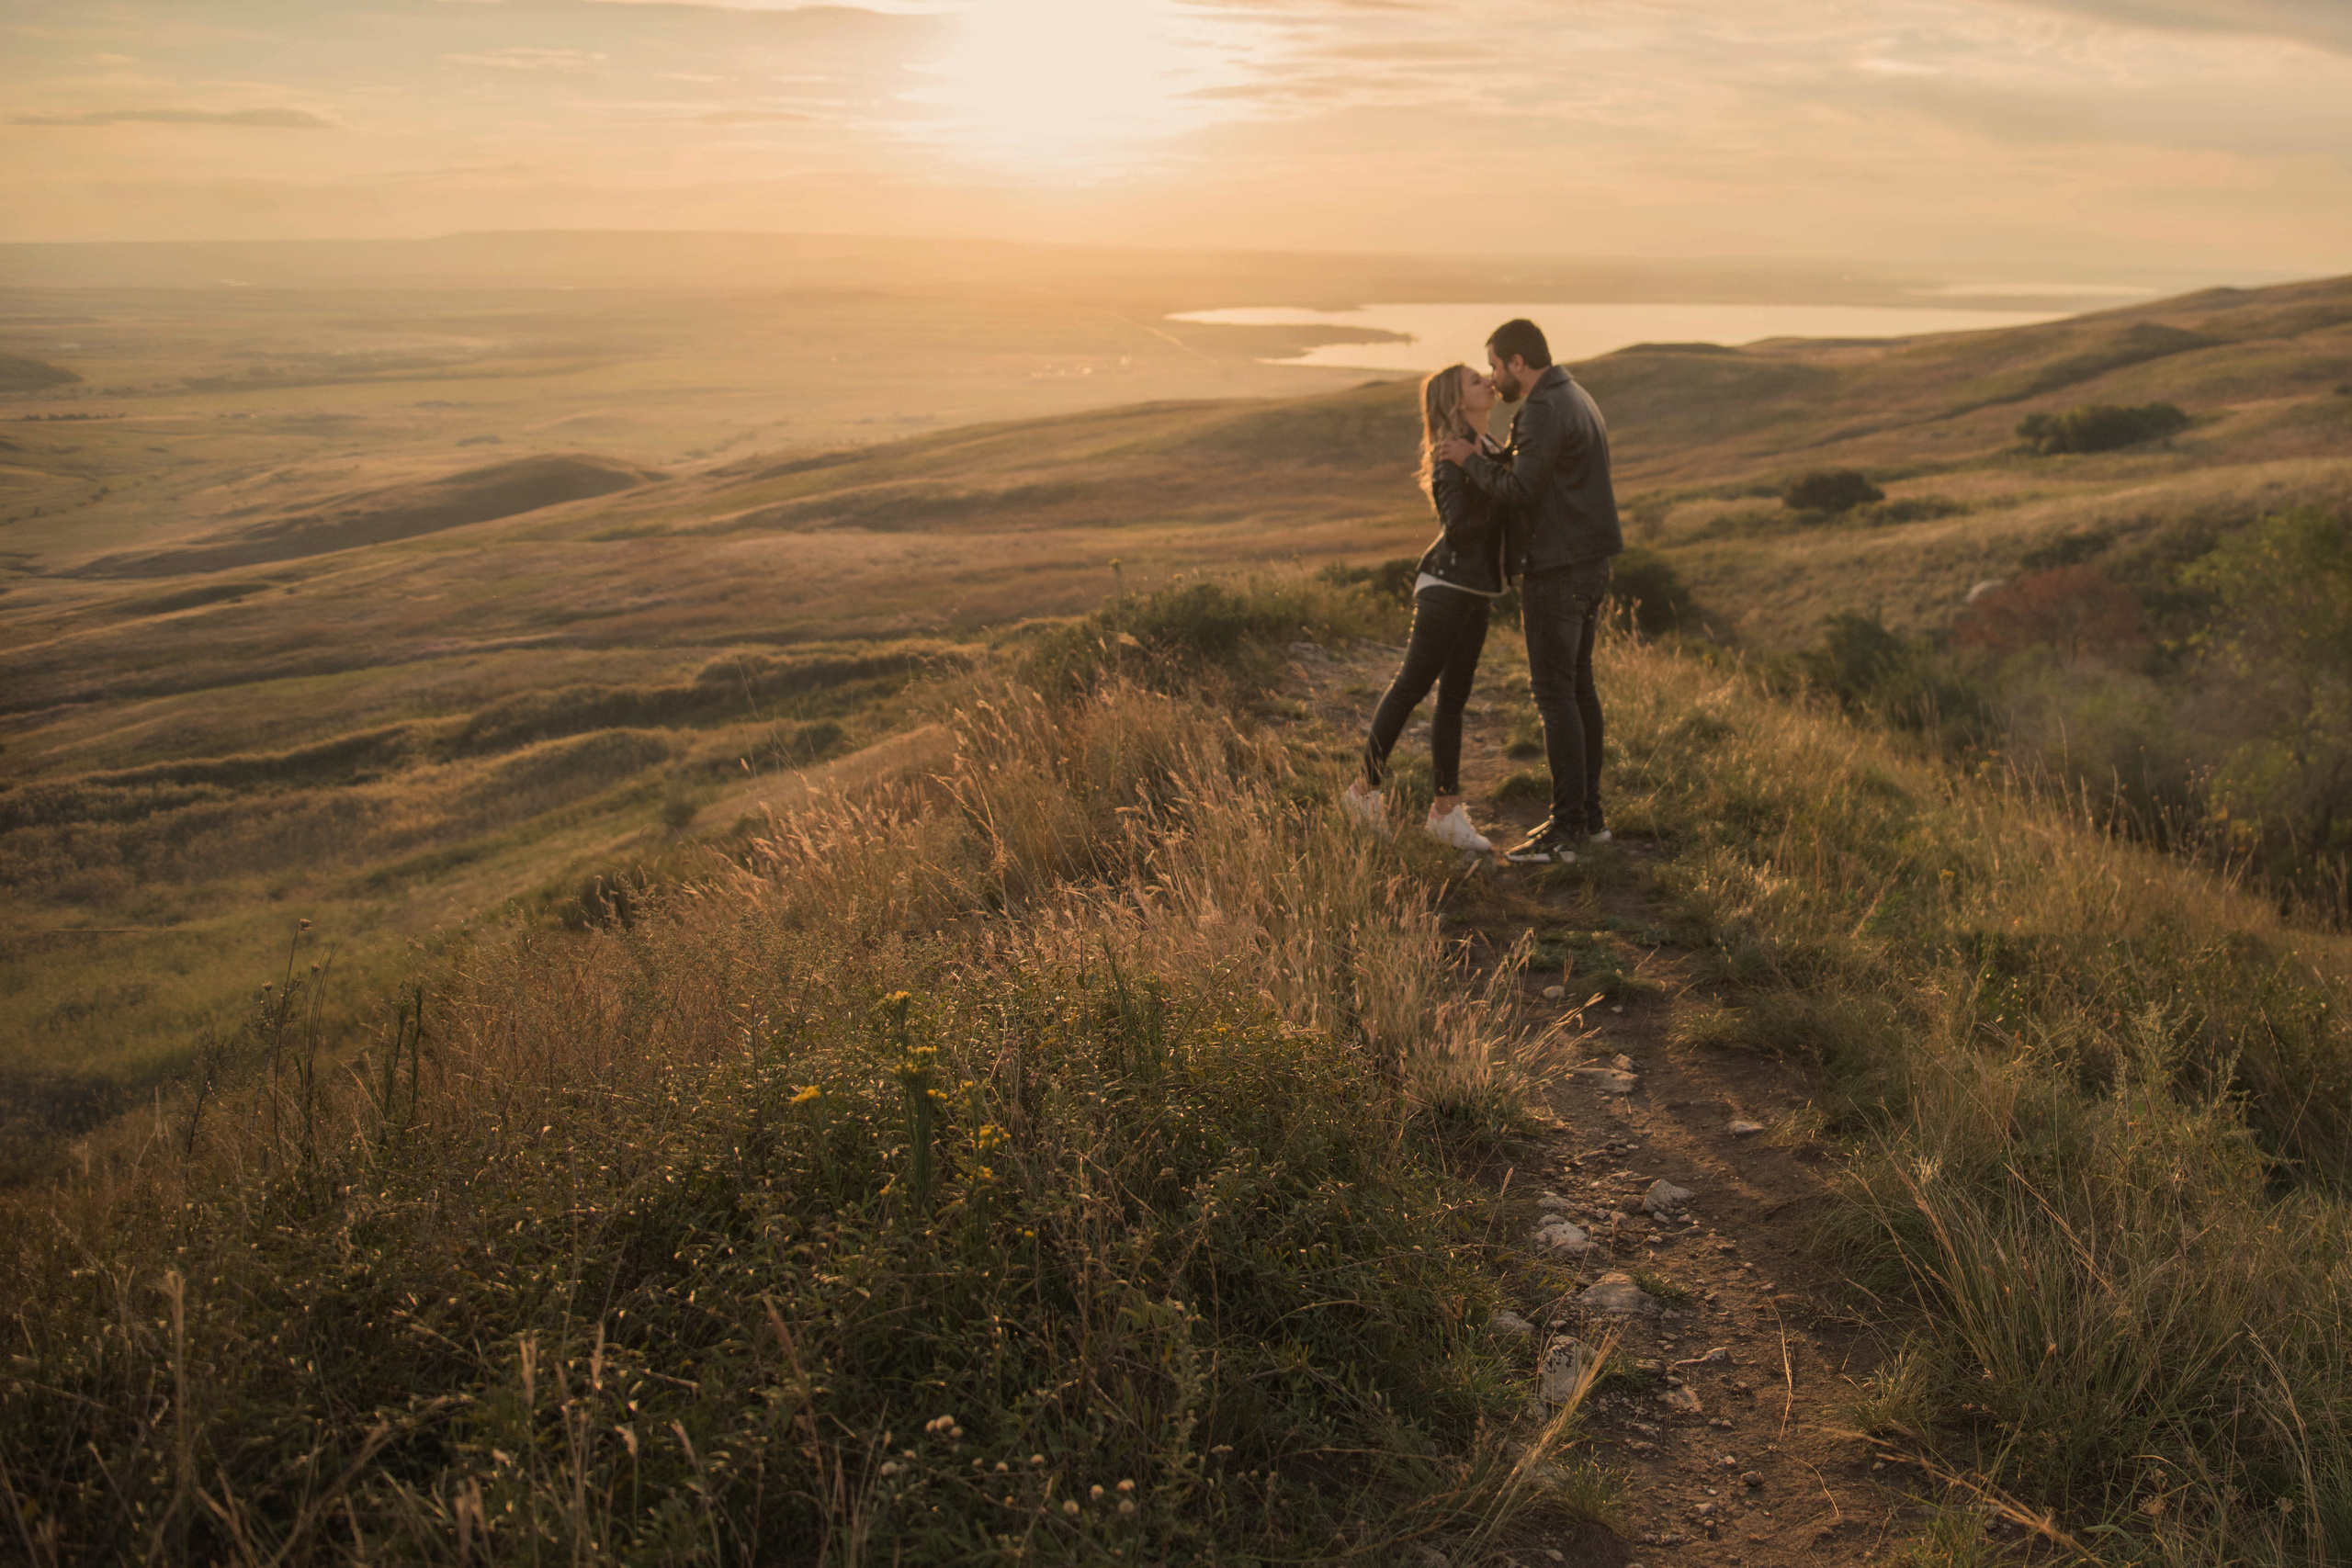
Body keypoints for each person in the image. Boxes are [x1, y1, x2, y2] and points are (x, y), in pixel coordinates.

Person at [1434, 318, 1622, 864]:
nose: (1494, 376)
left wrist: (1469, 460)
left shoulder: (1542, 409)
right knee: (1578, 690)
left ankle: (1566, 831)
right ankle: (1590, 821)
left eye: (1494, 364)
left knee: (1555, 695)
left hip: (1558, 569)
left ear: (1518, 362)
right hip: (1590, 563)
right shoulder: (1576, 394)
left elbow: (1521, 490)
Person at [1343, 363, 1515, 852]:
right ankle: (1361, 792)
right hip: (1444, 586)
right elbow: (1459, 529)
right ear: (1458, 403)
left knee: (1454, 699)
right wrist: (1490, 479)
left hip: (1478, 590)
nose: (1488, 380)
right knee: (1410, 688)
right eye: (1476, 381)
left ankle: (1445, 813)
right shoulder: (1450, 457)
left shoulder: (1490, 449)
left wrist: (1492, 469)